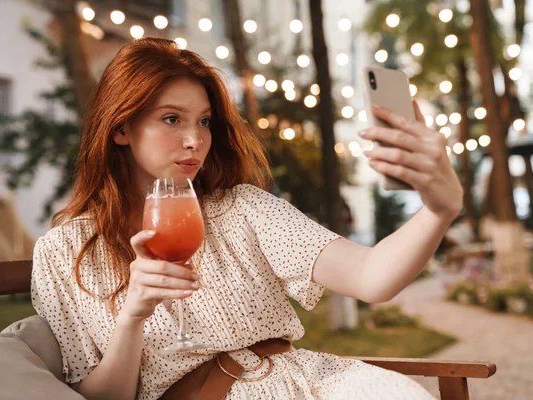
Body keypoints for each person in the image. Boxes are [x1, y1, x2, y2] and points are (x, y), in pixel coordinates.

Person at [31, 38, 462, 400]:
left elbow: (372, 277)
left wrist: (440, 210)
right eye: (171, 119)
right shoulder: (62, 252)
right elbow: (101, 398)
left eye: (204, 122)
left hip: (313, 383)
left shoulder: (242, 209)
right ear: (121, 128)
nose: (194, 139)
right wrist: (132, 316)